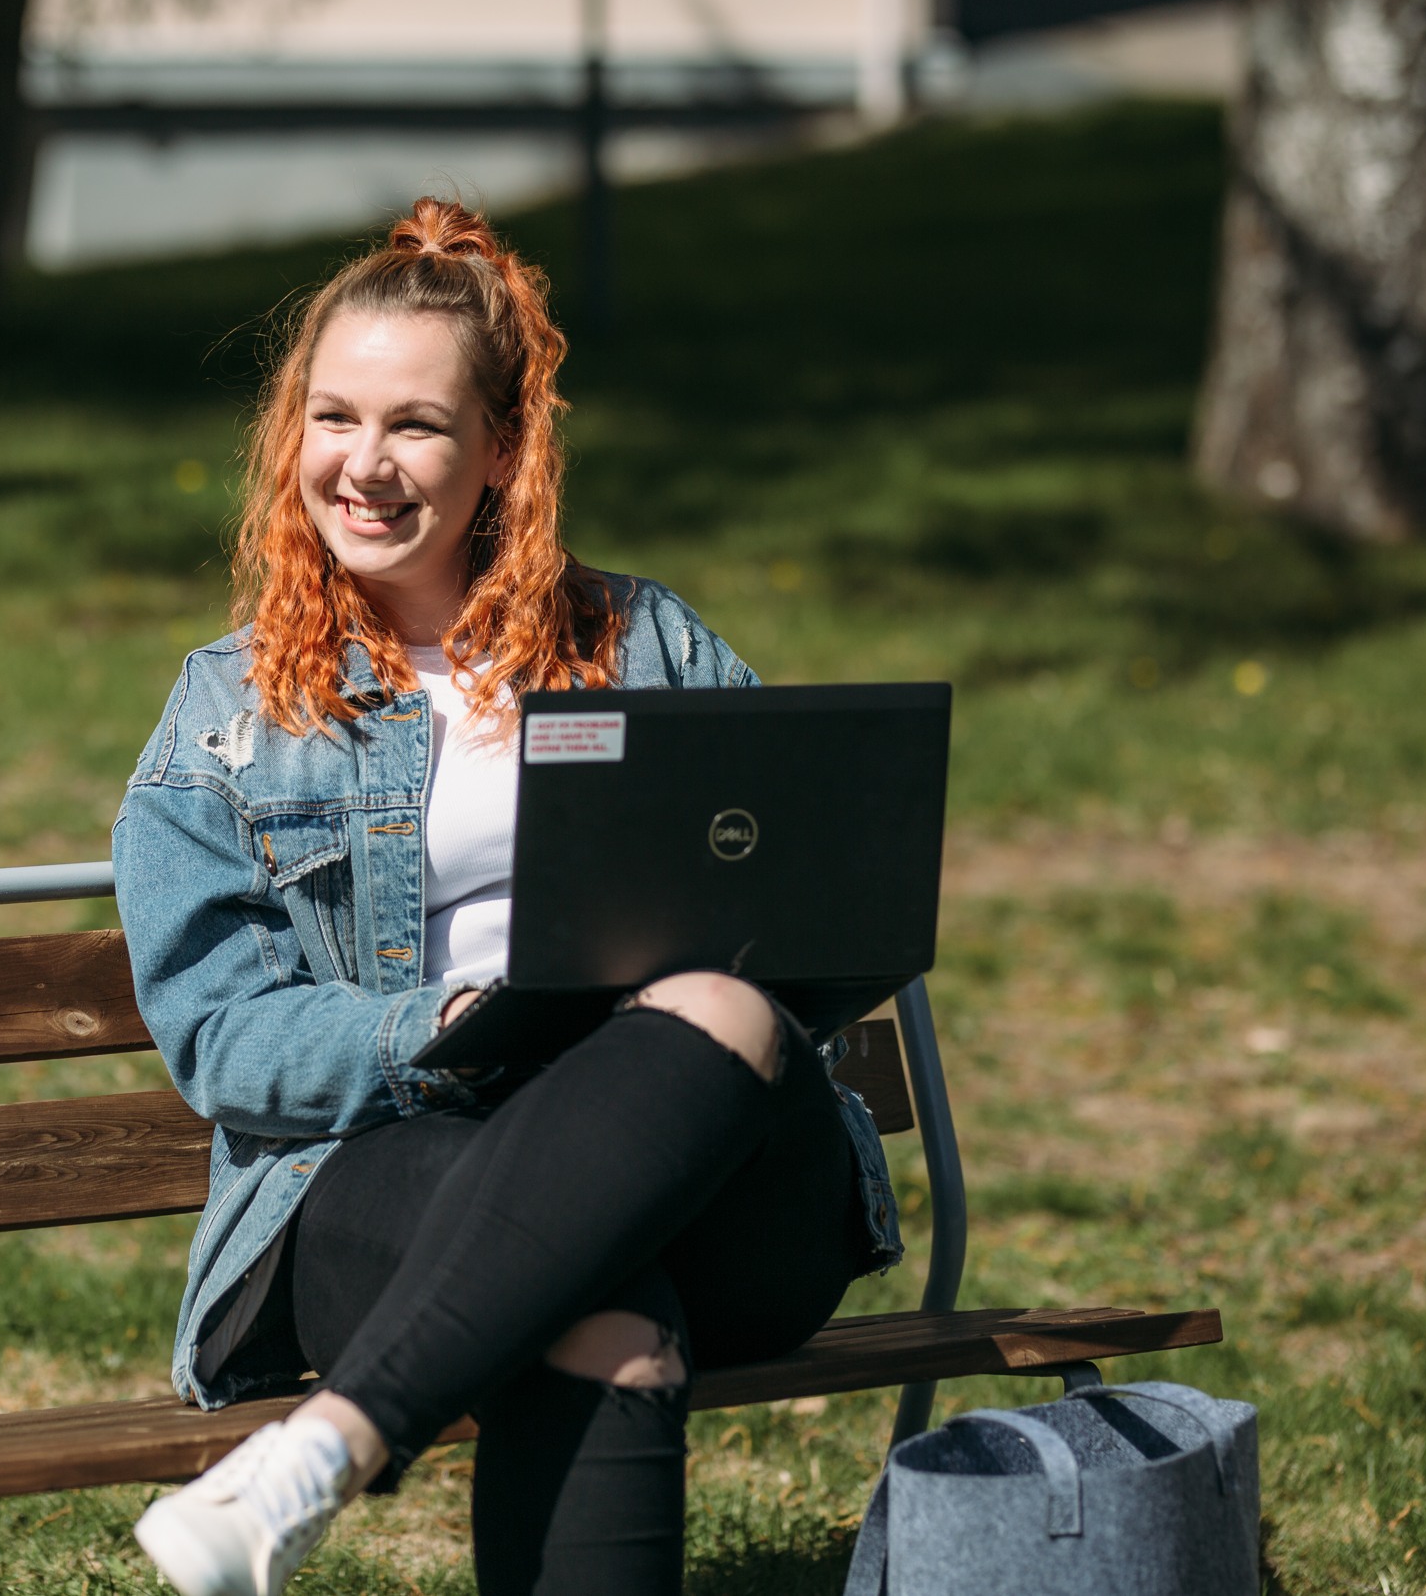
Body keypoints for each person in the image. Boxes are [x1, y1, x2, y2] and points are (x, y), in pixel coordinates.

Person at [110, 199, 903, 1596]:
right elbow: (222, 1044)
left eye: (414, 425)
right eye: (333, 418)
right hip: (383, 1178)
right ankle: (306, 1465)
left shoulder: (644, 646)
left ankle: (327, 1454)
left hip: (715, 1183)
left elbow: (814, 898)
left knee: (715, 997)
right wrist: (448, 1022)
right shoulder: (231, 709)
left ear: (501, 451)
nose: (363, 467)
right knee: (601, 1323)